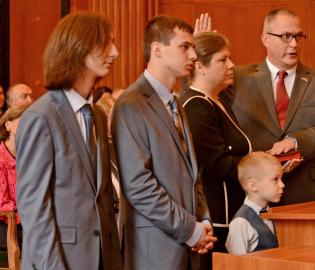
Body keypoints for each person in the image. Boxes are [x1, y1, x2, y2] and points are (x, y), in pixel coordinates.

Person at [15, 12, 122, 270]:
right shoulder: (40, 117)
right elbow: (34, 209)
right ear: (79, 47)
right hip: (59, 261)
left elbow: (102, 200)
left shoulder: (96, 115)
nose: (116, 52)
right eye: (106, 43)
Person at [201, 9, 315, 204]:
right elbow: (199, 96)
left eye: (298, 36)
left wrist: (295, 142)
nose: (294, 44)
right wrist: (199, 56)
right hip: (253, 194)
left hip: (306, 193)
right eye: (285, 36)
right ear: (265, 39)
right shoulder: (238, 79)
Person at [111, 15, 215, 270]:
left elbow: (192, 173)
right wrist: (191, 229)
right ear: (157, 49)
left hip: (188, 244)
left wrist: (204, 220)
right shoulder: (131, 103)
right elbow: (138, 186)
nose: (193, 55)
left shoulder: (175, 102)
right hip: (154, 248)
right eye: (184, 47)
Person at [181, 32, 251, 254]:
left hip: (231, 212)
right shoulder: (196, 105)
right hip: (218, 217)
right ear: (200, 66)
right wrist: (261, 165)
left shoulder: (217, 99)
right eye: (222, 60)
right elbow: (219, 164)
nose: (232, 65)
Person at [225, 151, 284, 255]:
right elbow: (236, 265)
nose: (282, 185)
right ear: (253, 185)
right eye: (275, 179)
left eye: (281, 179)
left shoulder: (275, 214)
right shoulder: (240, 223)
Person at [0, 104, 29, 251]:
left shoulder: (32, 156)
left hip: (29, 221)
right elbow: (2, 203)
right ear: (8, 125)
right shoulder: (1, 157)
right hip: (7, 225)